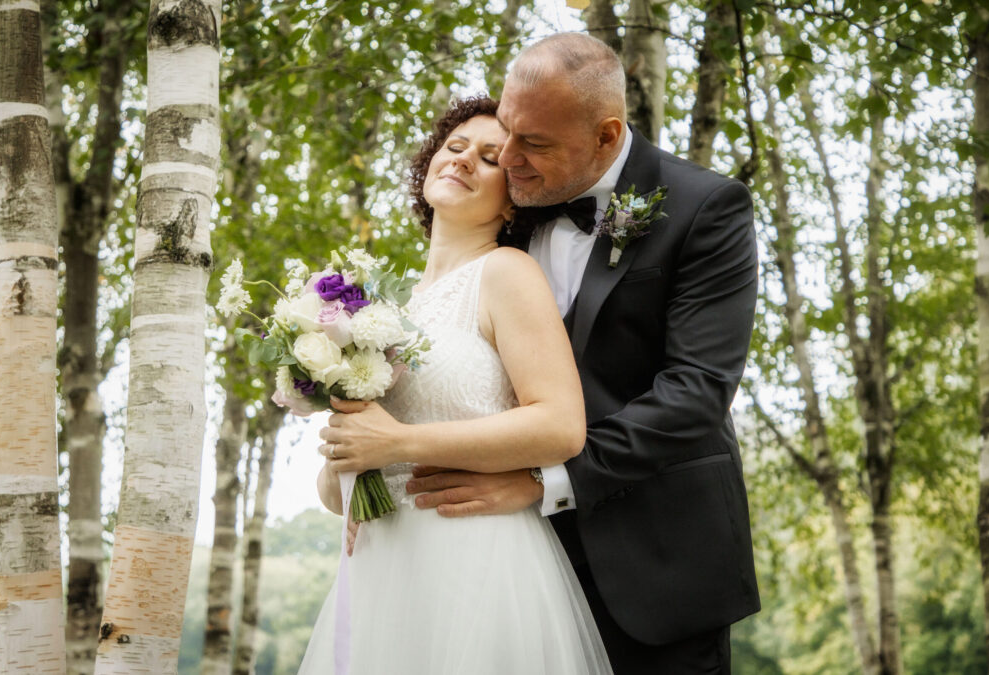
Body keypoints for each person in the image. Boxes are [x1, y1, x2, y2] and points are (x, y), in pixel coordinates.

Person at [404, 33, 761, 673]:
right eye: (506, 132)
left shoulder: (706, 208)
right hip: (508, 568)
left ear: (605, 136)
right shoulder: (512, 206)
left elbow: (696, 391)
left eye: (533, 143)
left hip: (656, 564)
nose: (508, 157)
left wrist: (545, 482)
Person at [298, 96, 613, 674]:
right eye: (456, 146)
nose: (465, 161)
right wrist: (347, 449)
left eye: (490, 159)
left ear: (514, 195)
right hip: (380, 570)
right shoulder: (379, 312)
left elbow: (560, 425)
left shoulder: (506, 274)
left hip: (475, 559)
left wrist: (399, 445)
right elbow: (333, 491)